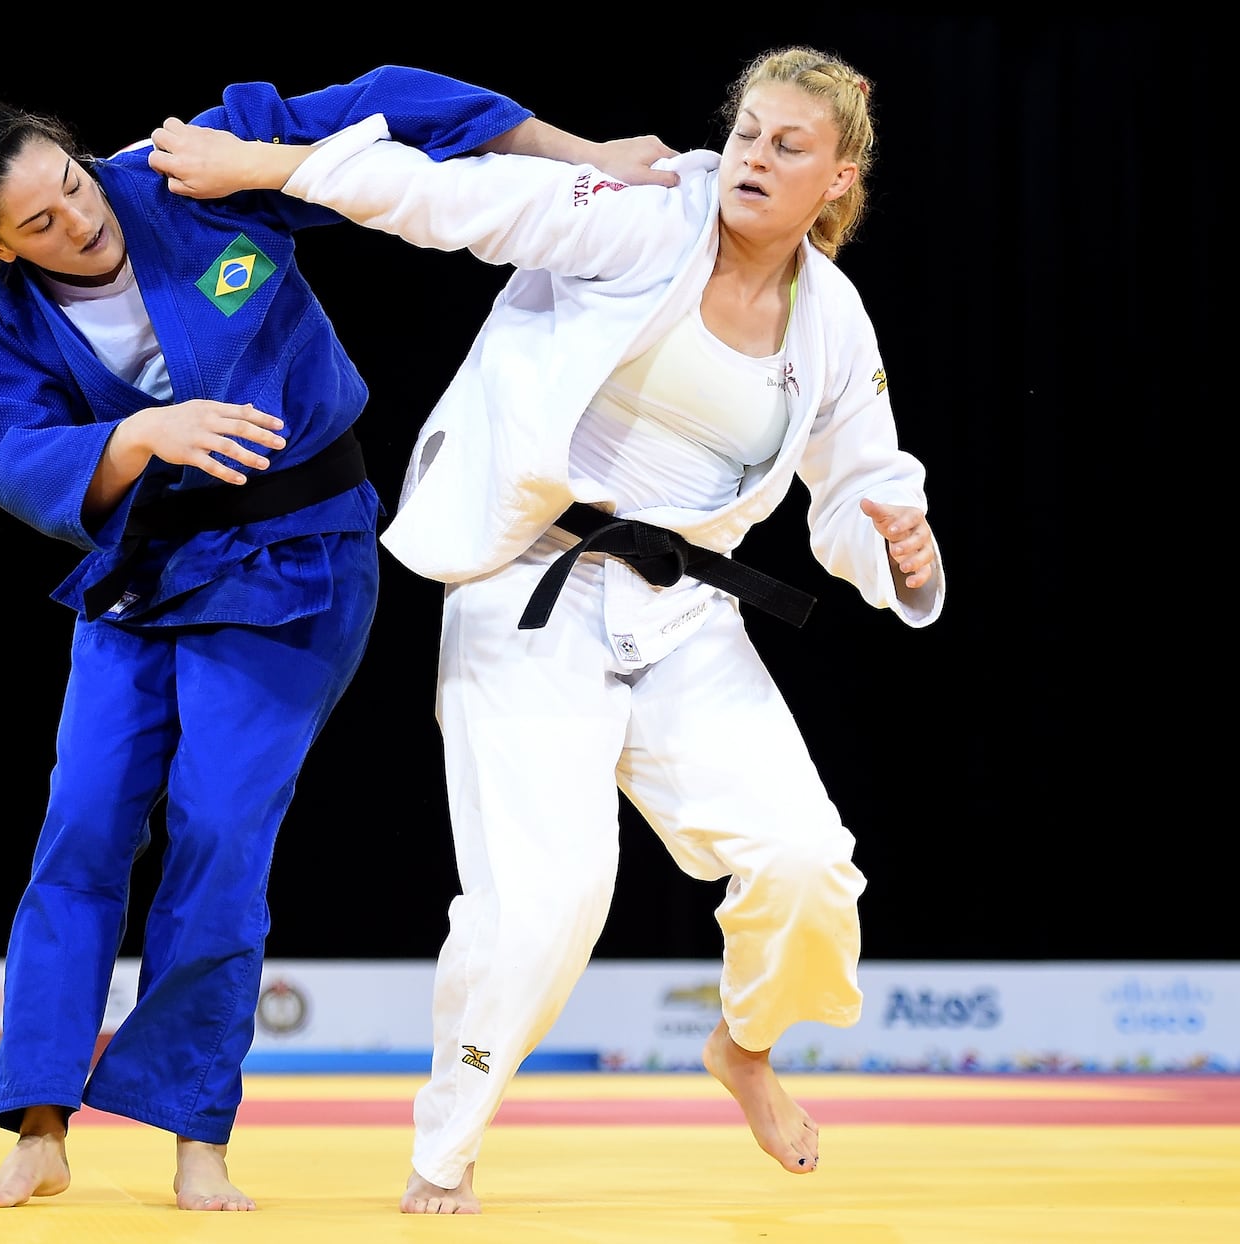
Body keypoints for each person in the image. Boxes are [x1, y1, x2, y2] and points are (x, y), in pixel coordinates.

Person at [0, 69, 678, 1213]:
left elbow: (392, 101)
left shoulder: (190, 170)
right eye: (39, 222)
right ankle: (39, 1124)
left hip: (298, 554)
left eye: (76, 186)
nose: (79, 220)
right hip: (142, 571)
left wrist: (575, 146)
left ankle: (197, 1134)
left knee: (218, 829)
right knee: (81, 825)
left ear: (82, 153)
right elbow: (6, 450)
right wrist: (140, 431)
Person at [147, 46, 945, 1213]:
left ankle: (746, 1046)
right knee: (545, 898)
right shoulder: (642, 218)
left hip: (682, 613)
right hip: (528, 582)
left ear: (837, 178)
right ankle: (447, 1144)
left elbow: (861, 481)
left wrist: (897, 546)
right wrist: (256, 163)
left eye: (788, 145)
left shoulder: (830, 318)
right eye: (747, 132)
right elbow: (451, 199)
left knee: (809, 865)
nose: (753, 158)